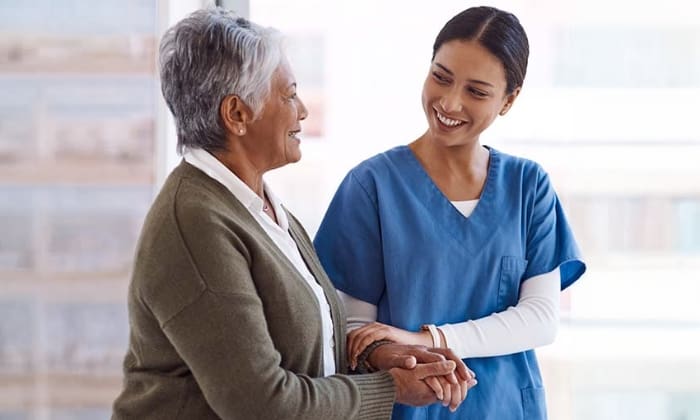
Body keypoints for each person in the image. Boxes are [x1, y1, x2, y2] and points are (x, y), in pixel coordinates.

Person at [111, 7, 477, 420]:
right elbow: (263, 405)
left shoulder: (259, 206)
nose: (302, 109)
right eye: (288, 95)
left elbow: (306, 348)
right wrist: (390, 388)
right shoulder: (196, 223)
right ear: (236, 115)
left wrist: (380, 357)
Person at [314, 6, 587, 420]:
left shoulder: (528, 187)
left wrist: (427, 338)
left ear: (508, 100)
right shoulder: (371, 186)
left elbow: (540, 319)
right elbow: (355, 332)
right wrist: (401, 354)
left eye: (477, 91)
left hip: (507, 407)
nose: (450, 101)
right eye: (441, 77)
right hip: (406, 409)